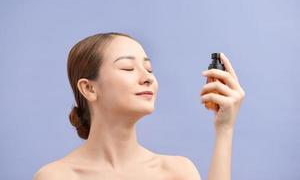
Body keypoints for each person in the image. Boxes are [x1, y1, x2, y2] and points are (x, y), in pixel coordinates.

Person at [33, 32, 245, 180]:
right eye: (127, 68)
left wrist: (224, 130)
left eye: (149, 69)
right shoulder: (55, 176)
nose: (147, 78)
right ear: (88, 88)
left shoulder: (177, 172)